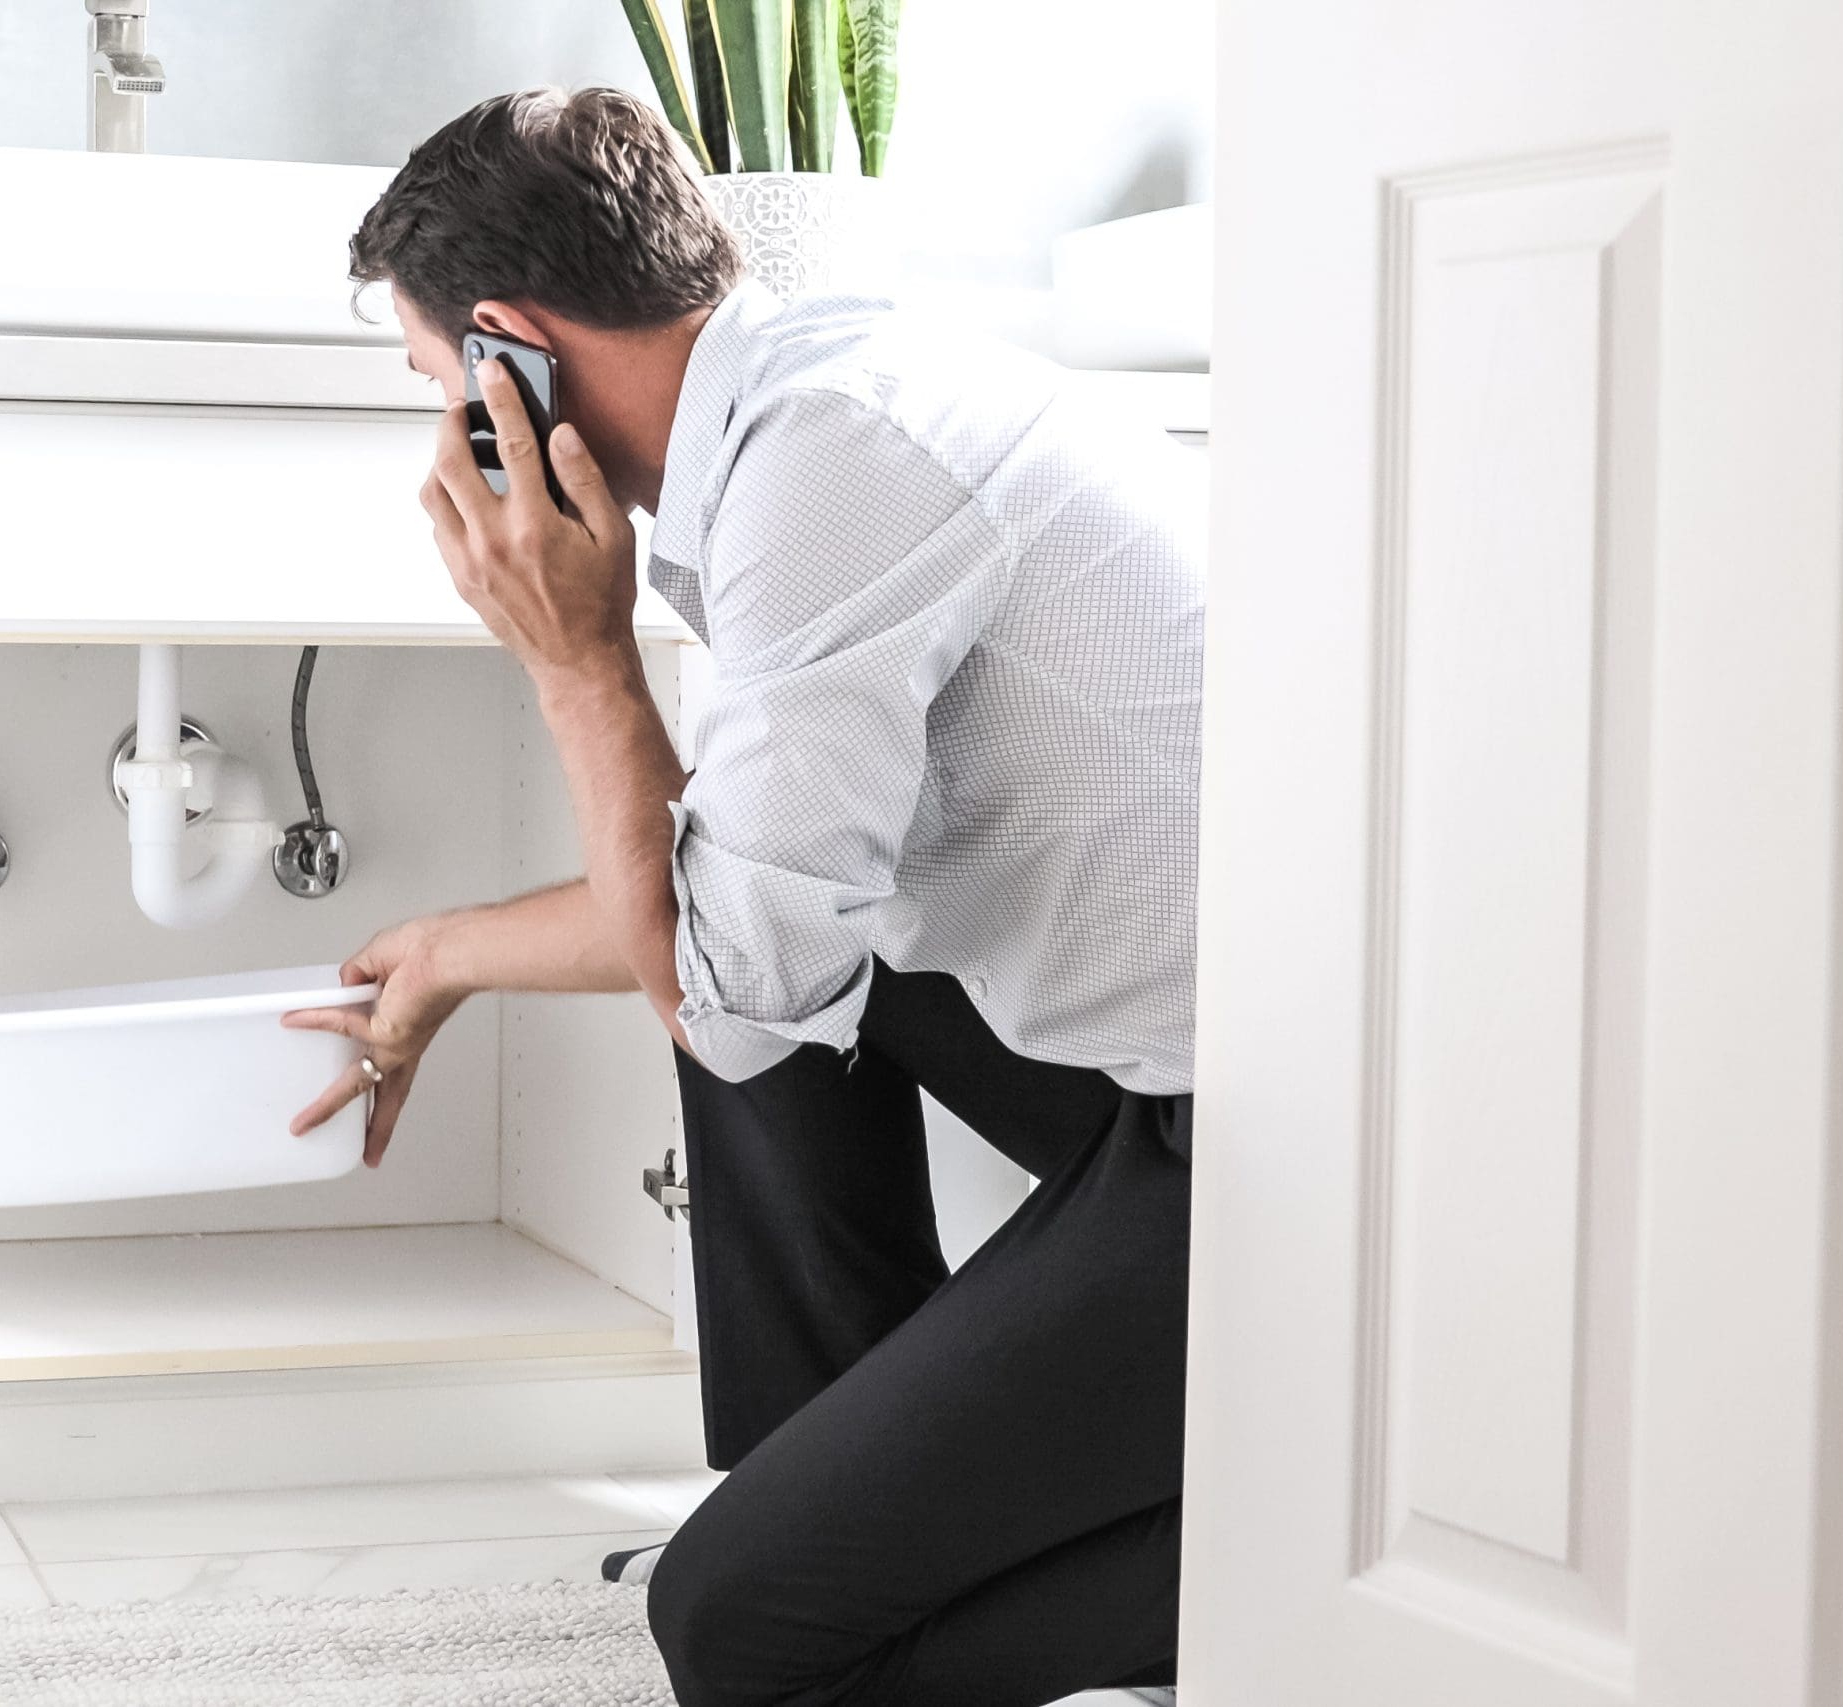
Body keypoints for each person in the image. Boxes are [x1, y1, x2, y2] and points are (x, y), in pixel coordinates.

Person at [282, 85, 1202, 1707]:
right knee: (776, 967)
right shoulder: (808, 398)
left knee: (742, 1633)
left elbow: (723, 987)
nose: (441, 425)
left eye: (438, 385)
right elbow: (739, 921)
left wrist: (578, 665)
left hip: (1283, 1157)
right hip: (1183, 1064)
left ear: (510, 352)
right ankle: (832, 1487)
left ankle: (1258, 1559)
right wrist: (446, 954)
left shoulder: (828, 468)